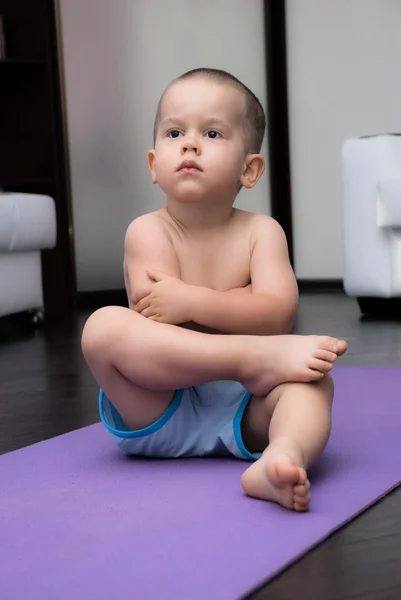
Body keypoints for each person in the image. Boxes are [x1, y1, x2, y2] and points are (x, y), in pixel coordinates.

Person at [81, 68, 347, 512]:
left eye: (211, 132)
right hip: (159, 404)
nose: (189, 143)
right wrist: (244, 312)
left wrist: (193, 299)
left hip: (245, 406)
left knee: (313, 386)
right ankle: (252, 358)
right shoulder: (146, 232)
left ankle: (282, 457)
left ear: (249, 169)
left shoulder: (263, 232)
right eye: (174, 132)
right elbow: (159, 330)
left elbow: (277, 314)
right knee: (102, 327)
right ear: (153, 166)